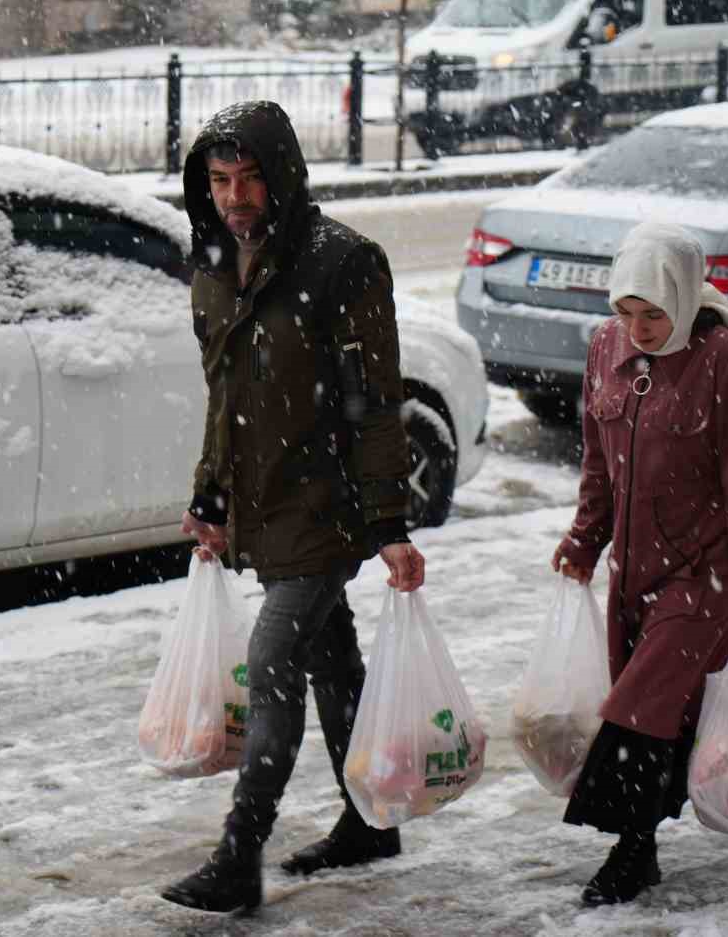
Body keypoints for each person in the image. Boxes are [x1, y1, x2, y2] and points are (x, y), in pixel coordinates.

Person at [161, 101, 426, 915]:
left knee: (273, 663)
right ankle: (368, 822)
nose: (235, 197)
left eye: (249, 180)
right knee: (331, 658)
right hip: (262, 500)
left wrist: (386, 525)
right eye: (219, 180)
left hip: (327, 504)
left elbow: (375, 403)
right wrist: (210, 495)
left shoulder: (343, 262)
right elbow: (223, 393)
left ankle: (240, 856)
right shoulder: (212, 259)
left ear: (283, 177)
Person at [550, 222, 728, 907]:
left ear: (685, 295)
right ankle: (644, 848)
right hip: (634, 575)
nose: (640, 328)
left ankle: (625, 851)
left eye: (654, 312)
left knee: (636, 709)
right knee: (661, 715)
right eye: (626, 312)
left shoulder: (723, 359)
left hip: (703, 574)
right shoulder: (605, 350)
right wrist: (584, 540)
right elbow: (598, 461)